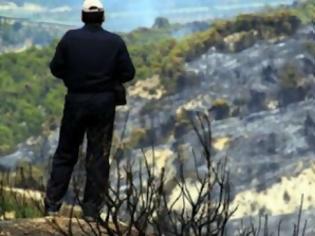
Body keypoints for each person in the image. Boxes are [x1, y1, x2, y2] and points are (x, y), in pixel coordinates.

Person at [44, 0, 136, 221]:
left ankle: (53, 205)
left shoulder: (70, 38)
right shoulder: (114, 42)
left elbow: (56, 68)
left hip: (75, 101)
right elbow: (128, 73)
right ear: (102, 17)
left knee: (66, 153)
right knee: (98, 156)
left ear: (83, 16)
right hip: (104, 104)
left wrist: (74, 76)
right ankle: (91, 211)